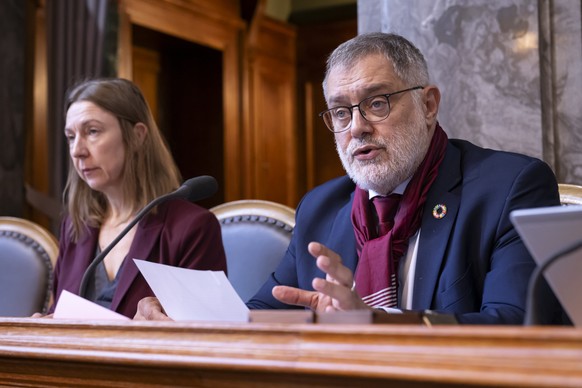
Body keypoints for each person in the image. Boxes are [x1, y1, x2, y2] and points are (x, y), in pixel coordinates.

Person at [135, 32, 563, 324]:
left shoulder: (510, 187)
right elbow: (264, 314)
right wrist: (187, 320)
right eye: (340, 112)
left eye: (377, 103)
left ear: (429, 105)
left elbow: (516, 324)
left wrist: (375, 322)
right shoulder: (322, 209)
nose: (356, 127)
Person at [46, 78, 227, 318]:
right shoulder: (75, 227)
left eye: (92, 132)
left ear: (137, 135)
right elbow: (57, 314)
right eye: (71, 136)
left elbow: (205, 334)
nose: (78, 150)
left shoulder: (192, 229)